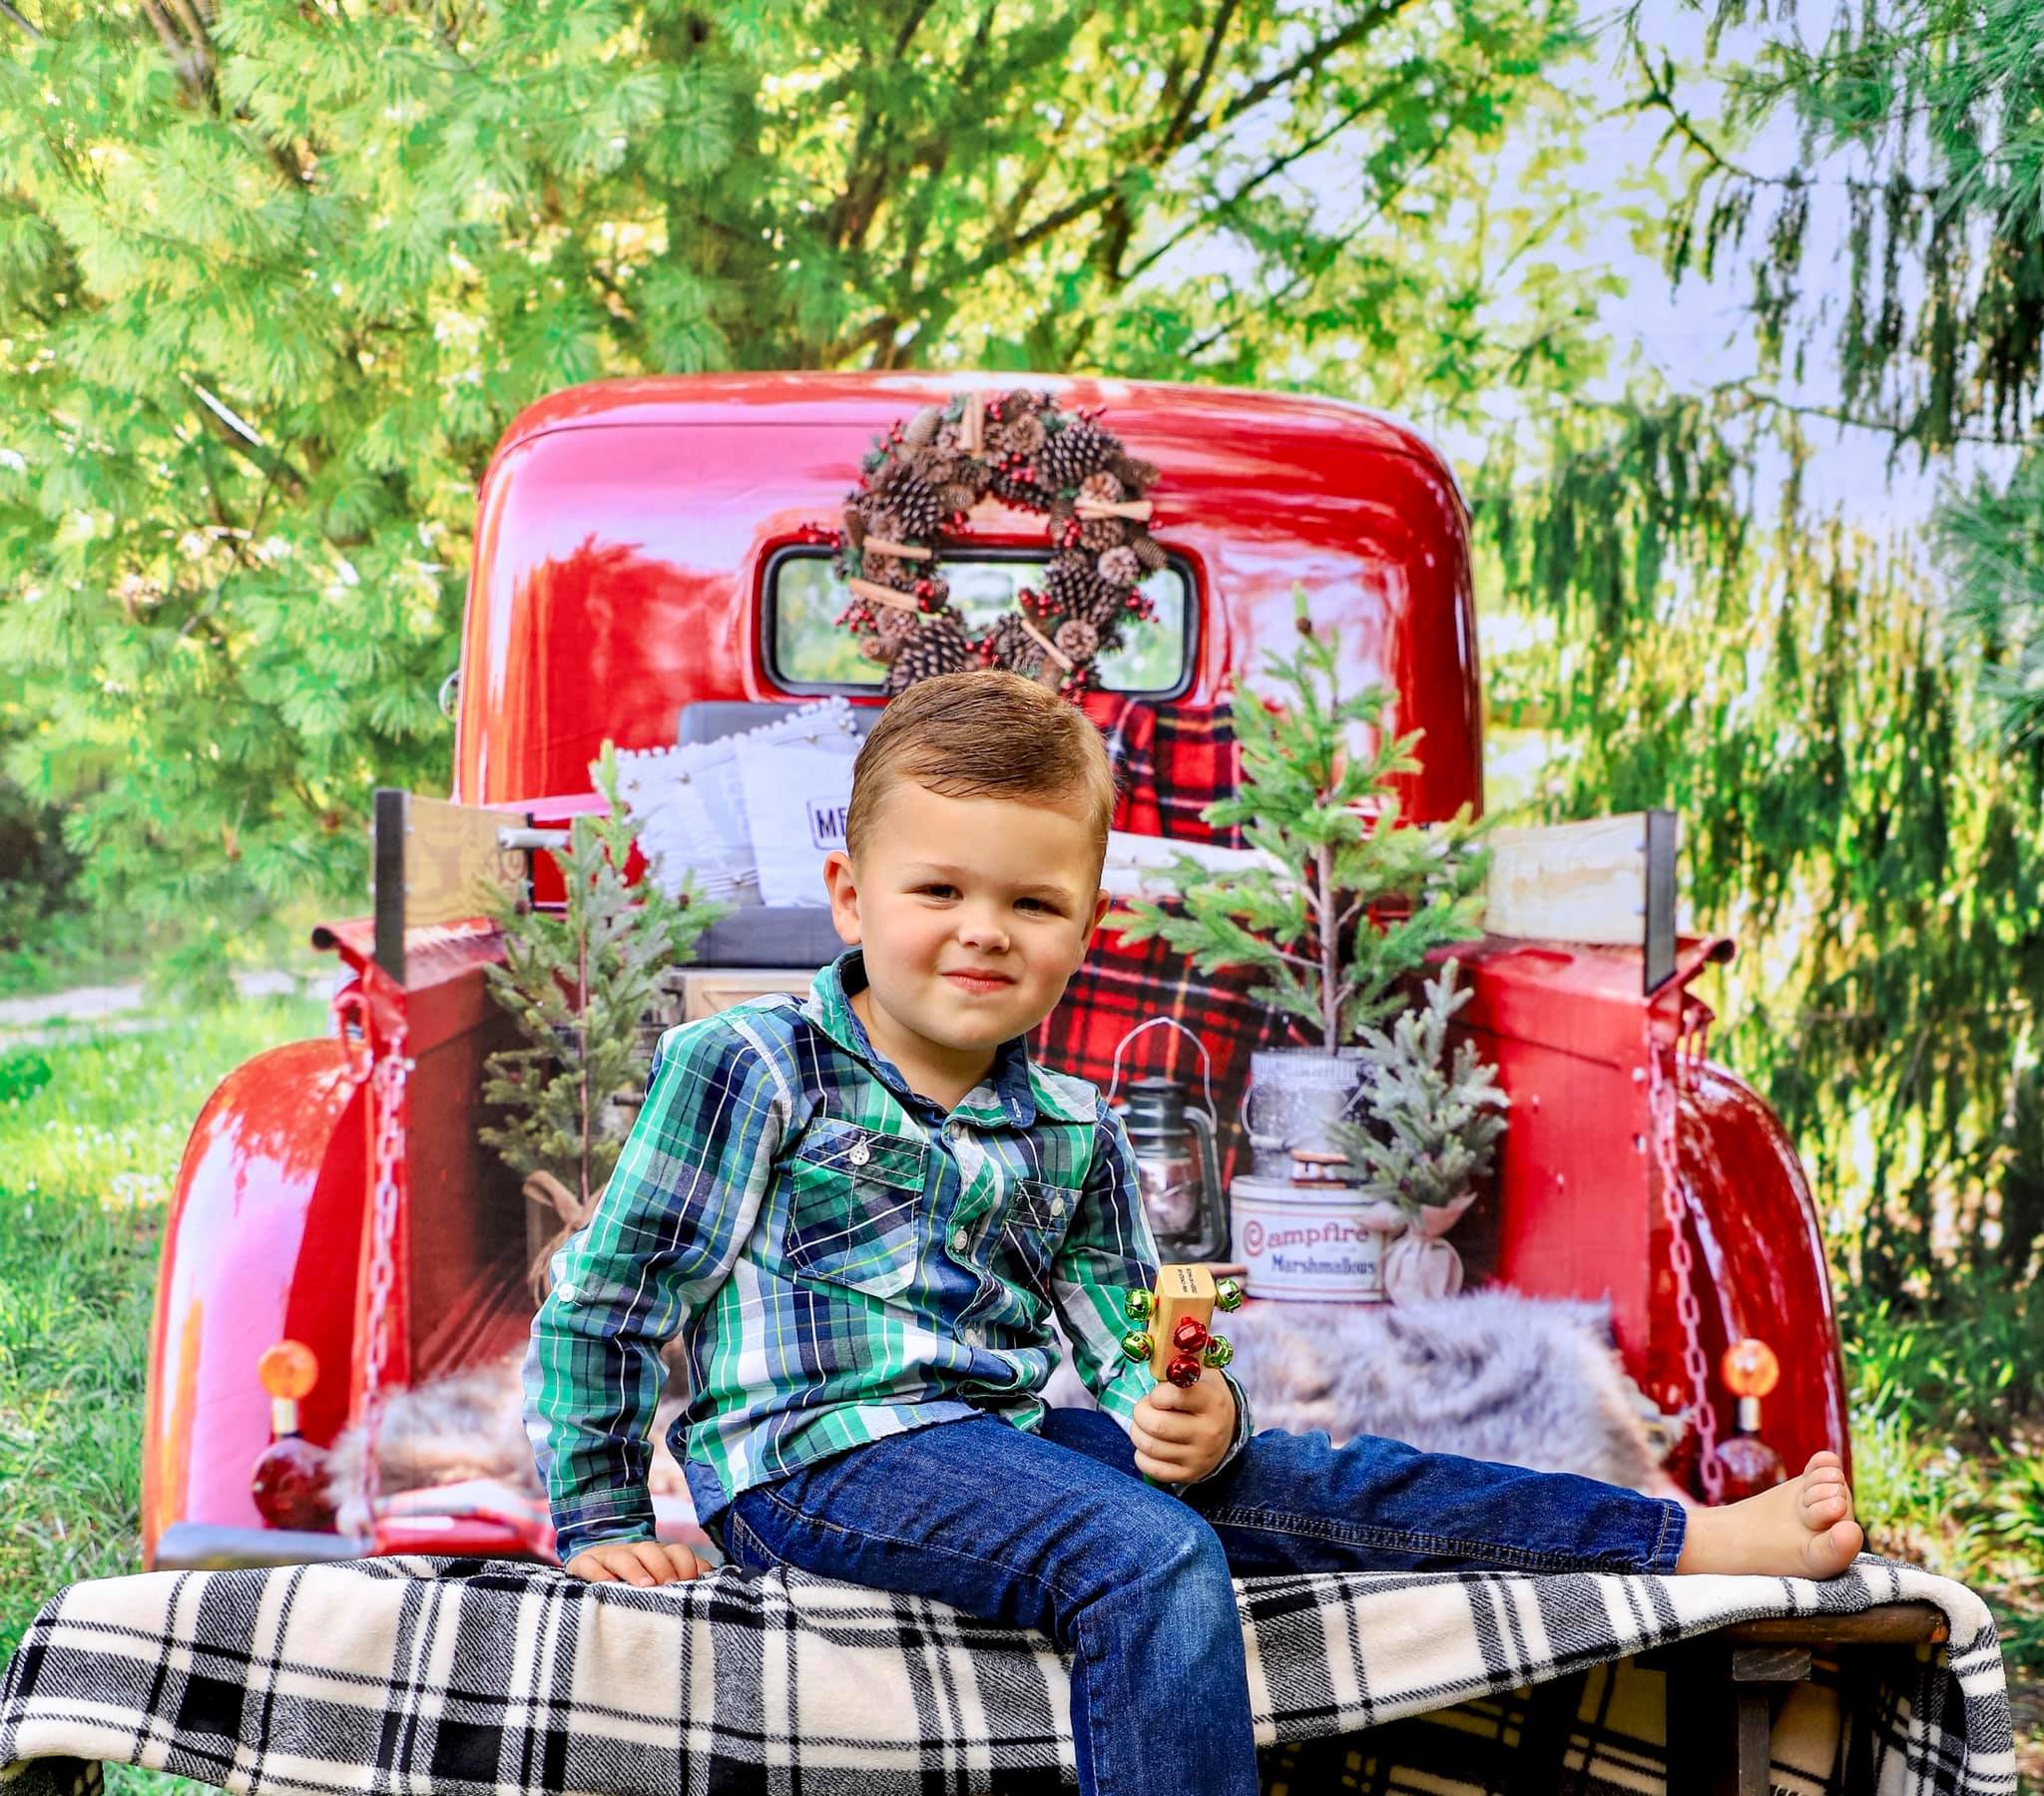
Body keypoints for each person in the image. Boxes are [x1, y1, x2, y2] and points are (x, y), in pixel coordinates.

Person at [522, 670, 1862, 1796]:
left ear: (1085, 927)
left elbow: (1126, 1338)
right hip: (804, 1463)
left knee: (1326, 1481)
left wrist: (1195, 1409)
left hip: (995, 1444)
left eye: (1033, 904)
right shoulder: (752, 1066)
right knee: (1147, 1555)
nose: (984, 931)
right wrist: (591, 1519)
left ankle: (1673, 1541)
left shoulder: (1069, 1122)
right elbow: (609, 1296)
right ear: (850, 893)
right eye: (939, 891)